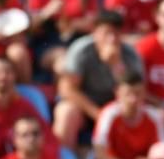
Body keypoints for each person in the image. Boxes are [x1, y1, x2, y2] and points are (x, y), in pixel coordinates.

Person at [53, 10, 143, 148]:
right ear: (95, 32)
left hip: (116, 106)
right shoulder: (81, 50)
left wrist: (116, 64)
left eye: (116, 33)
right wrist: (97, 113)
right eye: (107, 33)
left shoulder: (130, 54)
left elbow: (135, 92)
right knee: (66, 112)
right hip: (85, 105)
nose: (112, 39)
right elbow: (67, 89)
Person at [92, 72, 164, 159]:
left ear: (144, 93)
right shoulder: (108, 115)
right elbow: (99, 154)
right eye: (128, 94)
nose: (133, 99)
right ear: (118, 93)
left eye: (138, 94)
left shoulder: (155, 117)